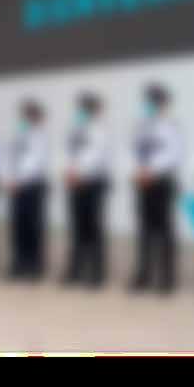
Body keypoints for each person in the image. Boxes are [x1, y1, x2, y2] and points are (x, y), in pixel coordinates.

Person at [130, 85, 183, 293]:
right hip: (143, 182)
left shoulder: (171, 126)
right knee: (144, 231)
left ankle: (167, 279)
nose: (150, 104)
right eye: (148, 100)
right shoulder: (140, 125)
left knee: (165, 232)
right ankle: (143, 275)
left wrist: (150, 171)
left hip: (162, 182)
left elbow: (174, 155)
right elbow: (133, 151)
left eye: (154, 101)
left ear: (163, 103)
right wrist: (138, 171)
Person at [63, 94, 111, 287]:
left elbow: (96, 155)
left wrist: (79, 172)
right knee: (77, 228)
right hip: (76, 182)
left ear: (94, 109)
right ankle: (75, 270)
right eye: (81, 107)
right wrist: (69, 171)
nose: (82, 111)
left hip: (93, 183)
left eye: (86, 107)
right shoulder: (74, 129)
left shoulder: (100, 129)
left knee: (93, 229)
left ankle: (96, 273)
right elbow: (67, 152)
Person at [6, 100, 49, 281]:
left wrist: (19, 180)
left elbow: (35, 161)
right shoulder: (18, 135)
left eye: (30, 114)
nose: (27, 118)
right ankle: (19, 262)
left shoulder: (40, 136)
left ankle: (35, 265)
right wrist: (10, 179)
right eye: (25, 114)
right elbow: (10, 157)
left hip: (33, 185)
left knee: (33, 227)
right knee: (18, 226)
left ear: (37, 116)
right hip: (17, 186)